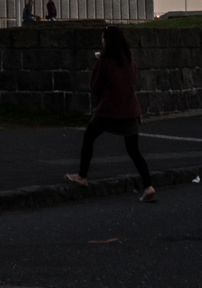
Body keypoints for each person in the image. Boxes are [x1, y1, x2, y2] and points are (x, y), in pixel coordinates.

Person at [65, 25, 156, 202]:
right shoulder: (129, 59)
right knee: (134, 150)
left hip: (109, 110)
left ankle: (82, 176)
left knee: (89, 136)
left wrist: (98, 63)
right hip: (130, 109)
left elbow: (95, 87)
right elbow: (131, 80)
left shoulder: (105, 60)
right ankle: (148, 186)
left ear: (107, 41)